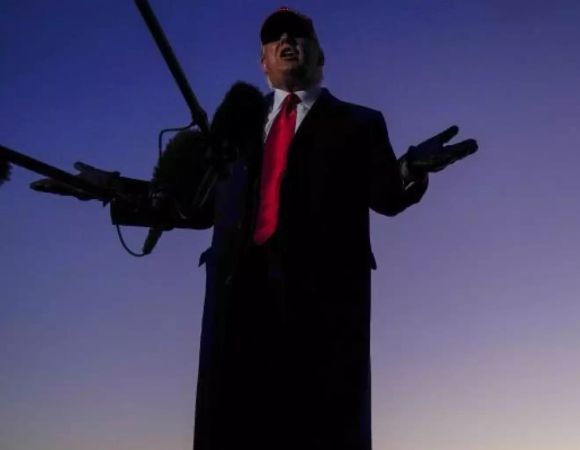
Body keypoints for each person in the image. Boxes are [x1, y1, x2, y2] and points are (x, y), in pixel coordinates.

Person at [33, 6, 477, 450]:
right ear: (263, 61)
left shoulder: (361, 122)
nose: (287, 39)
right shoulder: (233, 128)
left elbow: (385, 195)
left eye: (300, 34)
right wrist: (106, 188)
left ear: (320, 55)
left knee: (322, 430)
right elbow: (190, 207)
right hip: (236, 308)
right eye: (275, 37)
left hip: (322, 313)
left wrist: (411, 168)